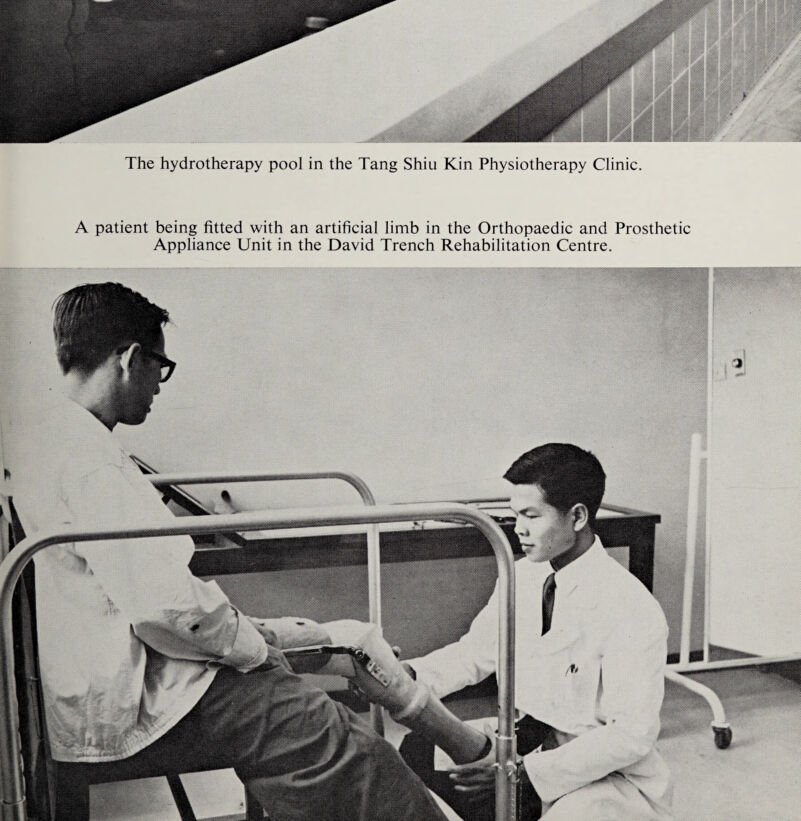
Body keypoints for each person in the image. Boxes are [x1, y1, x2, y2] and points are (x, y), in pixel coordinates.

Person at [9, 281, 447, 821]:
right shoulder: (91, 463)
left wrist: (244, 634)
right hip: (136, 693)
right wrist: (253, 647)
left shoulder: (49, 438)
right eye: (160, 367)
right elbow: (166, 609)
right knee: (331, 738)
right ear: (128, 359)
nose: (159, 386)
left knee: (314, 677)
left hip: (97, 681)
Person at [398, 443, 673, 821]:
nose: (518, 530)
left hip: (603, 773)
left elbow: (632, 735)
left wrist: (524, 776)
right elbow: (476, 653)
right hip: (529, 743)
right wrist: (404, 676)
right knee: (419, 750)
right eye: (515, 516)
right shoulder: (522, 575)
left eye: (531, 516)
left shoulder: (632, 608)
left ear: (577, 516)